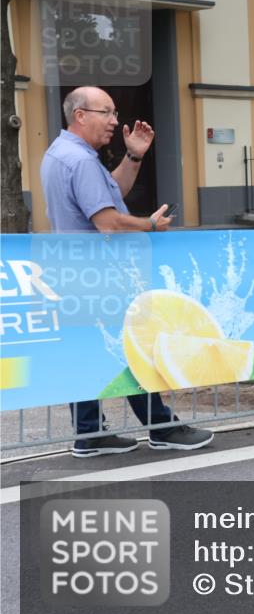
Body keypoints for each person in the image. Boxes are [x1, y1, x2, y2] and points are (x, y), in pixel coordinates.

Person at [40, 86, 214, 458]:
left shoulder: (61, 153)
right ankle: (162, 427)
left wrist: (134, 156)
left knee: (91, 352)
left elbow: (110, 193)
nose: (114, 120)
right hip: (98, 274)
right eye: (106, 112)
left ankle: (90, 433)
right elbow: (108, 221)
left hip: (75, 272)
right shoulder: (81, 160)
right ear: (80, 115)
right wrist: (150, 225)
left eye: (115, 112)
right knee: (132, 350)